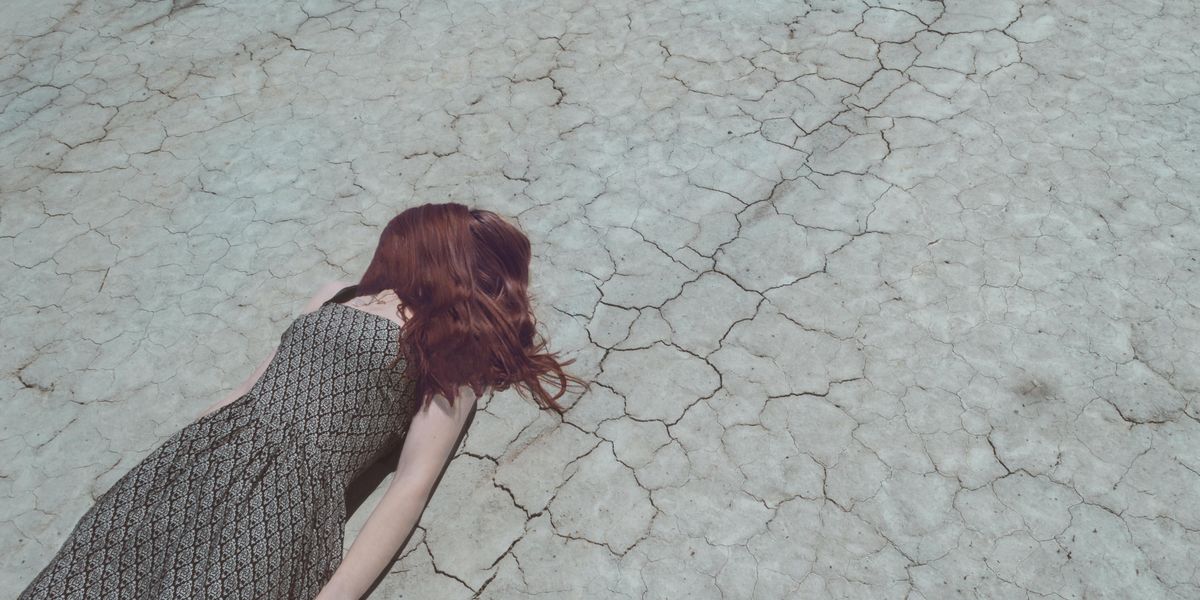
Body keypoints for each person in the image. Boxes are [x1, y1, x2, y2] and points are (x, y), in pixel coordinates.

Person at [18, 202, 588, 599]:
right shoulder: (335, 293)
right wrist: (166, 463)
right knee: (93, 572)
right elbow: (248, 388)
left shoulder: (453, 344)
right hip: (200, 462)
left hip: (287, 495)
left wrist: (337, 593)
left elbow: (412, 483)